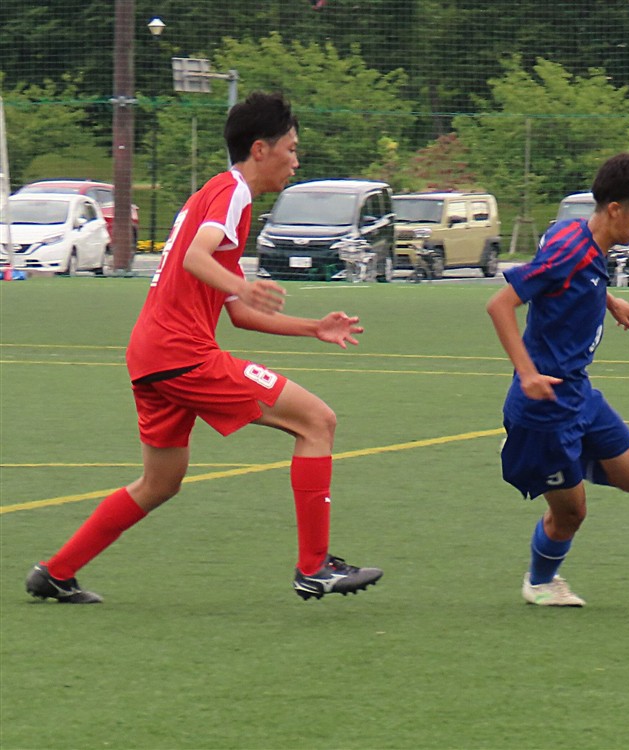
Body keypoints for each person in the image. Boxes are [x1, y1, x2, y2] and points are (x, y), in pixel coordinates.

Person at [25, 92, 382, 604]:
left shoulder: (217, 196)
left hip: (151, 354)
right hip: (181, 354)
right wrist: (242, 285)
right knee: (317, 422)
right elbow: (196, 257)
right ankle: (314, 568)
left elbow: (239, 313)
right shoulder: (232, 192)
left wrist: (313, 328)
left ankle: (56, 572)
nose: (296, 161)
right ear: (260, 149)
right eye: (291, 149)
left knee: (161, 481)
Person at [486, 153, 629, 607]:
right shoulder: (569, 250)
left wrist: (610, 301)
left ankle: (561, 459)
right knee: (571, 515)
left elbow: (574, 279)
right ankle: (540, 582)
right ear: (615, 210)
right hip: (544, 410)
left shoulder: (576, 235)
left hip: (578, 395)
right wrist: (527, 373)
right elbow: (500, 305)